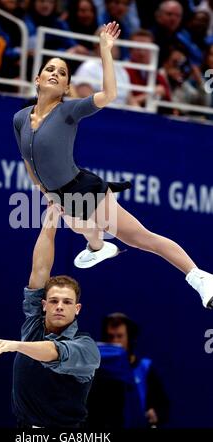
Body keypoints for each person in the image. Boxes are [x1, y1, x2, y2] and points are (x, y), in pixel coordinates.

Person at [13, 21, 213, 310]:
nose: (55, 74)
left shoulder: (69, 110)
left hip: (83, 190)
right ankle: (98, 247)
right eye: (50, 69)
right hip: (62, 196)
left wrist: (105, 50)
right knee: (80, 226)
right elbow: (28, 159)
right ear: (38, 78)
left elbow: (108, 95)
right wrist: (43, 191)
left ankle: (199, 277)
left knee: (140, 239)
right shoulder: (20, 118)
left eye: (62, 72)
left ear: (67, 86)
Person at [0, 205, 101, 428]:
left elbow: (54, 352)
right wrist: (52, 216)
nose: (59, 306)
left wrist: (15, 345)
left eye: (67, 302)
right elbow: (40, 269)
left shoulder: (86, 348)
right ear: (44, 305)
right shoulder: (34, 323)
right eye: (54, 301)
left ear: (77, 309)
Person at [100, 312, 169, 427]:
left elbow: (163, 406)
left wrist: (156, 414)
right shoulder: (97, 371)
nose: (115, 342)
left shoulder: (145, 368)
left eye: (120, 336)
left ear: (130, 339)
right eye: (111, 337)